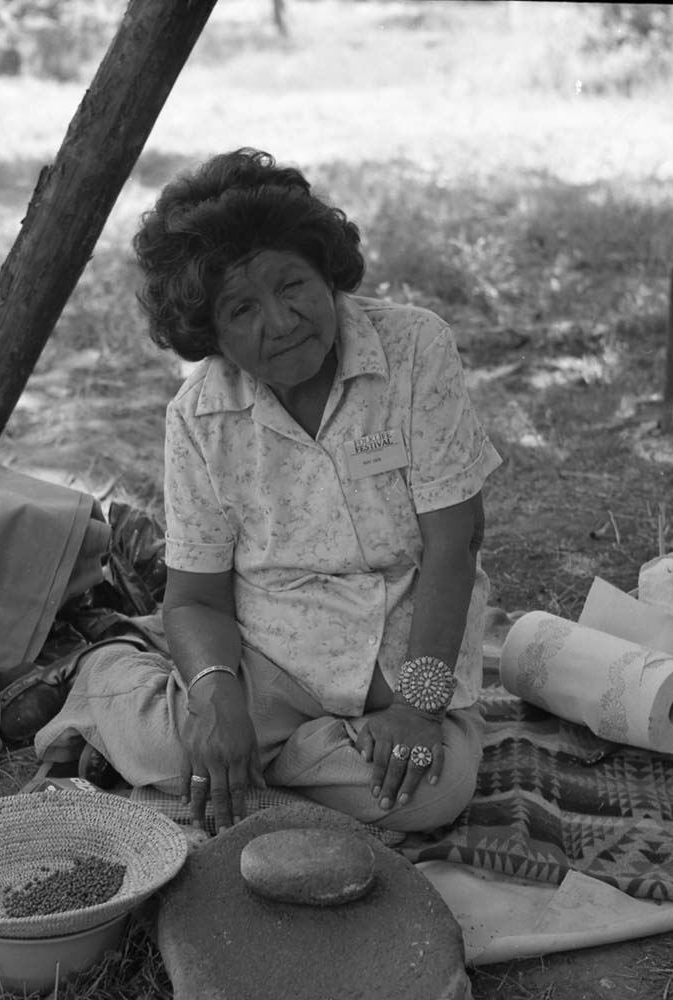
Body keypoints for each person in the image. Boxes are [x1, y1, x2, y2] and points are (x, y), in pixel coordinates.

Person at [41, 148, 502, 835]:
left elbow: (455, 542)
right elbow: (197, 596)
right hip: (271, 654)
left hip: (408, 646)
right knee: (179, 742)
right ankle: (113, 679)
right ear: (212, 334)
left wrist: (418, 709)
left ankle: (241, 778)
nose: (281, 321)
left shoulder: (413, 349)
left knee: (434, 795)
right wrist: (215, 693)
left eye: (293, 285)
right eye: (243, 308)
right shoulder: (198, 418)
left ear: (328, 273)